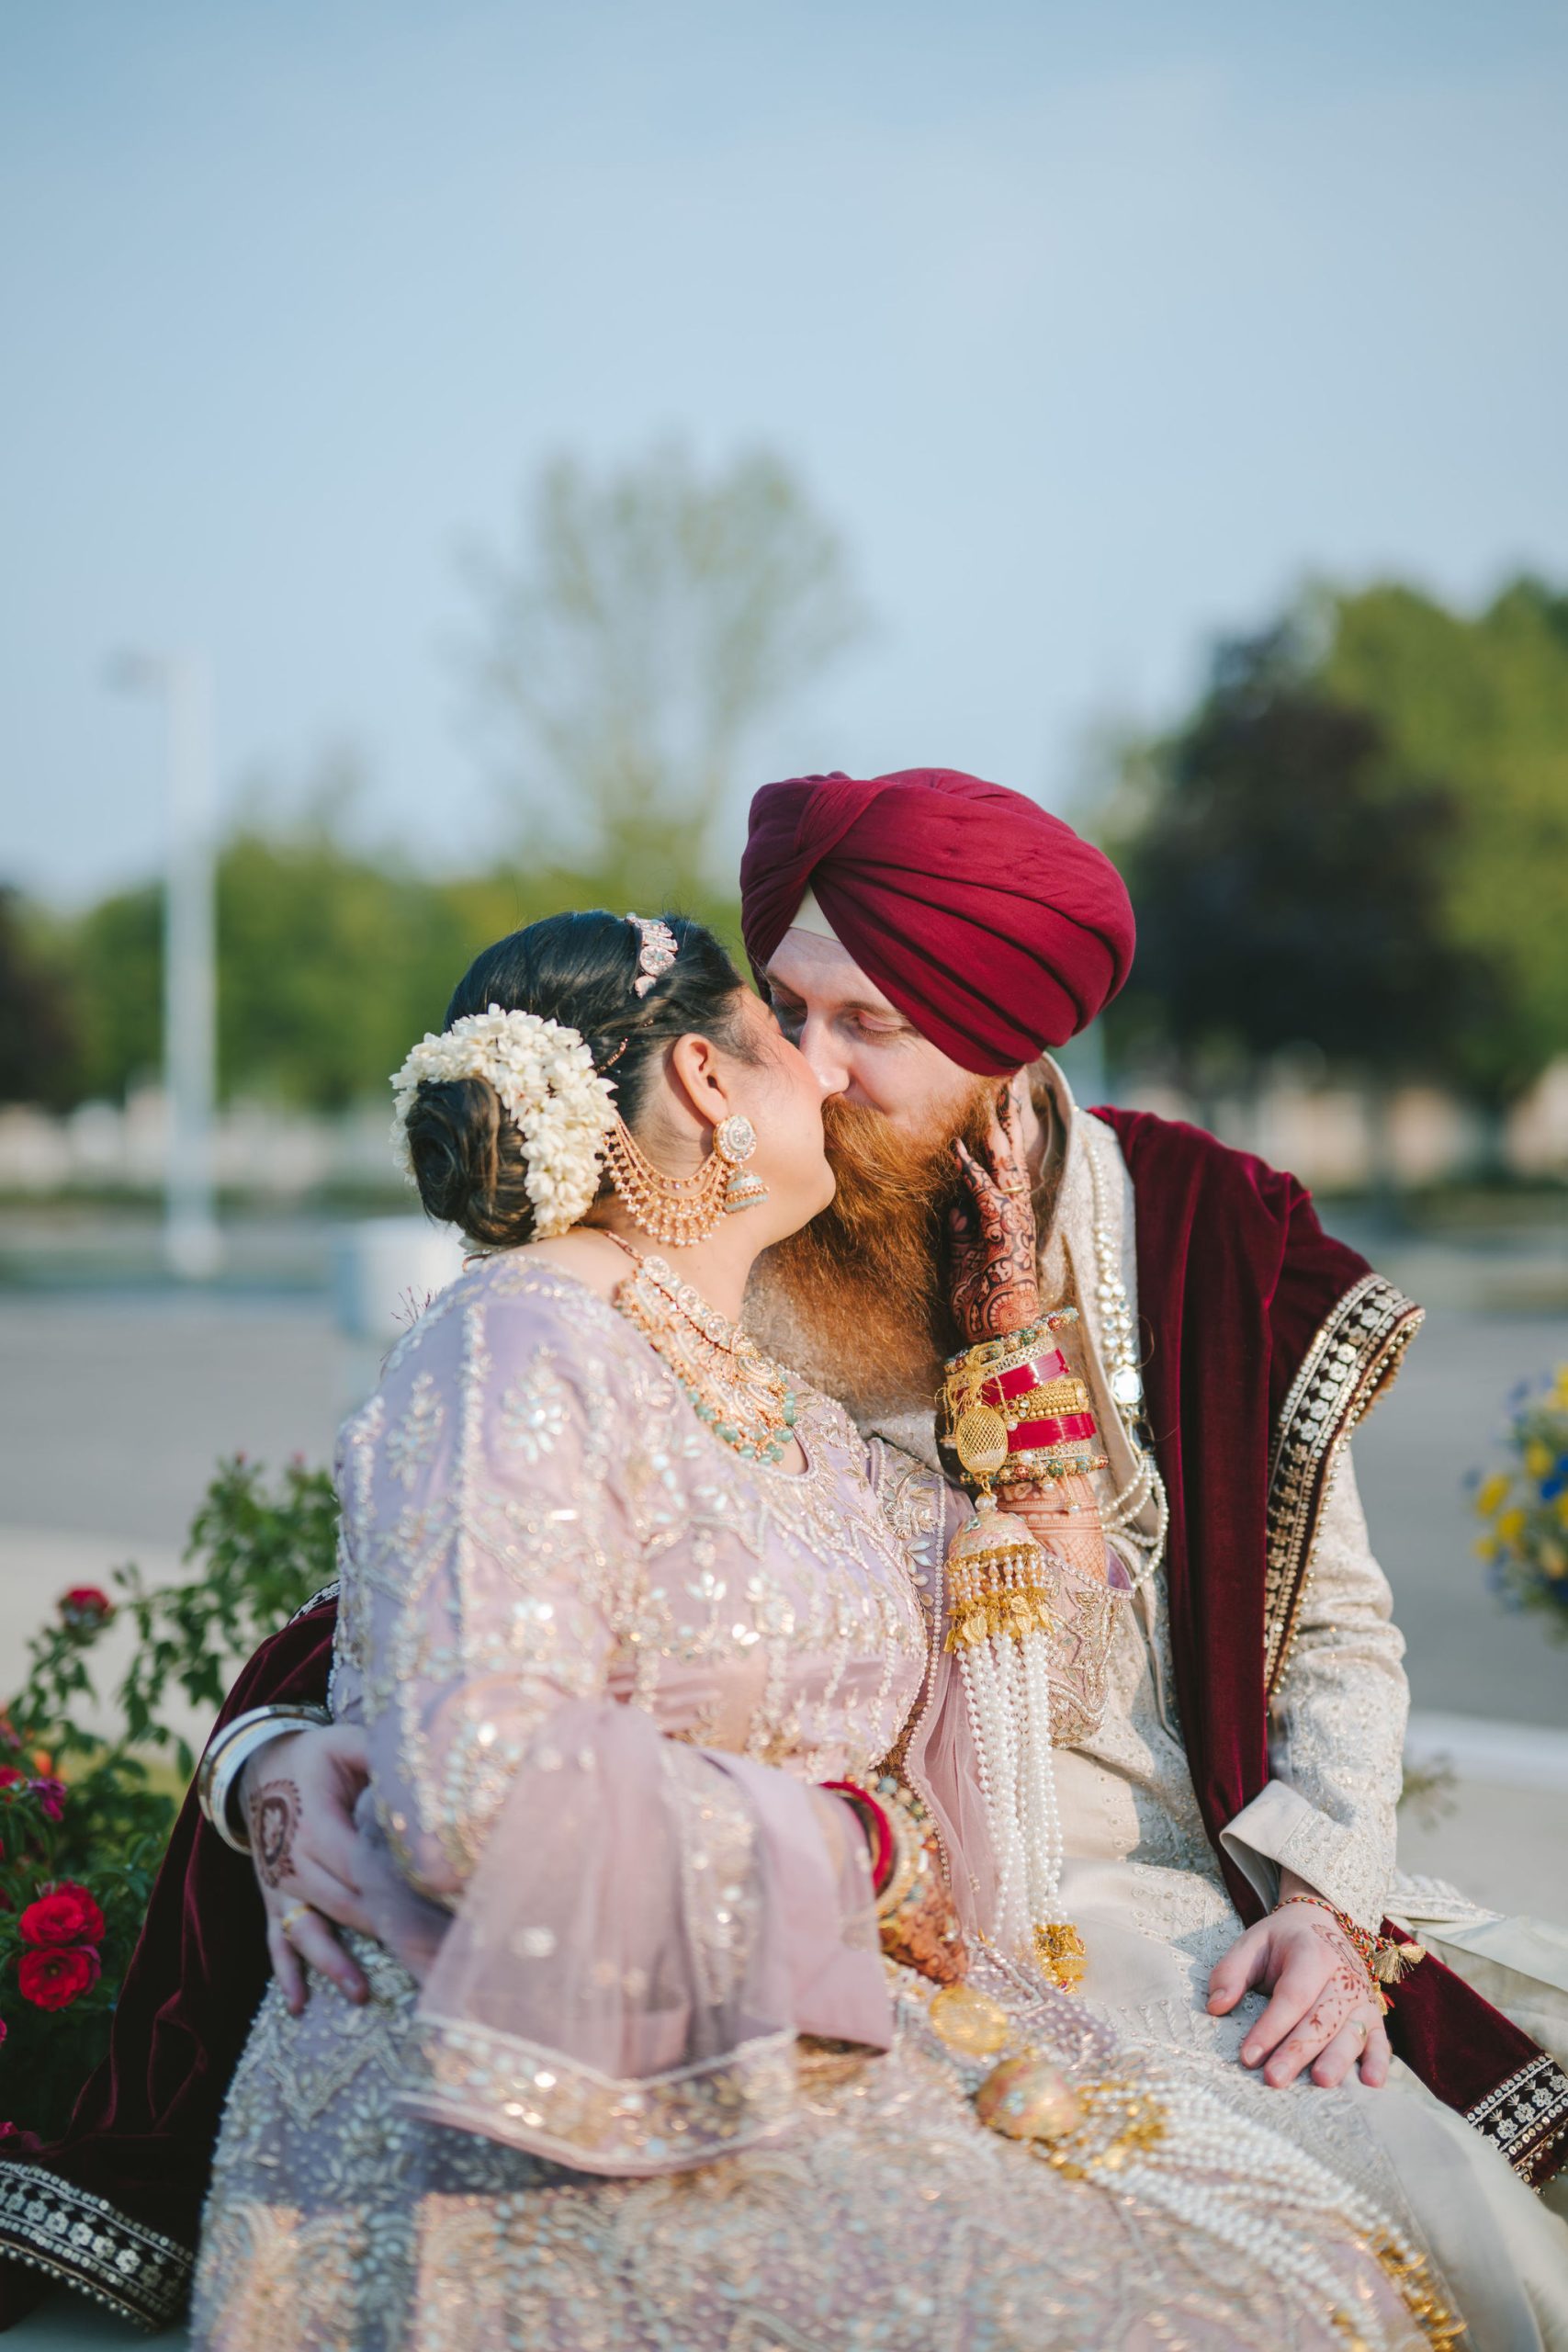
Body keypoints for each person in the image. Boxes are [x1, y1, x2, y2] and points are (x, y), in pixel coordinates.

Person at [186, 910, 1455, 2350]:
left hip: (794, 2011)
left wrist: (1009, 1338)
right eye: (785, 1030)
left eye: (862, 1028)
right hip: (549, 2090)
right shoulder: (519, 1339)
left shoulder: (774, 1407)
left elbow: (1046, 1669)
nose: (828, 1072)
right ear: (706, 1081)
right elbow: (478, 1775)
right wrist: (860, 1845)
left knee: (1318, 2269)